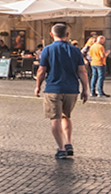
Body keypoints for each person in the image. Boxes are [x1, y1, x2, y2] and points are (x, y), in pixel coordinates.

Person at [34, 22, 90, 160]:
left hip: (53, 88)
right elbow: (82, 71)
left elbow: (42, 70)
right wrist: (85, 89)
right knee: (66, 116)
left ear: (51, 34)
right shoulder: (75, 50)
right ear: (67, 35)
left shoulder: (47, 50)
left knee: (55, 118)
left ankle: (61, 148)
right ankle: (69, 142)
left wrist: (38, 86)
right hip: (72, 89)